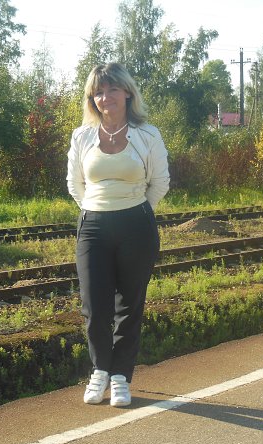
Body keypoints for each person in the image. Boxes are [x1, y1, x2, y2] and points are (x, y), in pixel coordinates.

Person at [66, 62, 170, 407]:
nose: (105, 97)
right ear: (91, 99)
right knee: (94, 307)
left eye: (112, 89)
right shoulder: (81, 136)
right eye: (98, 91)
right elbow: (75, 184)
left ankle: (121, 377)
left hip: (136, 225)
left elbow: (160, 182)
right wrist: (98, 208)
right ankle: (100, 371)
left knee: (130, 304)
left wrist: (133, 211)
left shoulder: (148, 134)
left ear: (127, 92)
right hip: (93, 226)